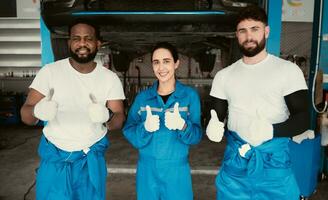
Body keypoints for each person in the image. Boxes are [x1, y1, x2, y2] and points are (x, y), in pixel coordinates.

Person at [206, 6, 311, 200]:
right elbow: (217, 117)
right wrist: (213, 127)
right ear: (236, 35)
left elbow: (303, 119)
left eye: (255, 29)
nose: (249, 36)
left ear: (266, 31)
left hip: (274, 166)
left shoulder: (287, 71)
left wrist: (271, 131)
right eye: (242, 31)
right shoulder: (224, 76)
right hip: (236, 165)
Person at [20, 19, 125, 200]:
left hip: (90, 162)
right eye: (76, 38)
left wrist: (107, 116)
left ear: (98, 43)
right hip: (55, 162)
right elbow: (26, 115)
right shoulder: (50, 72)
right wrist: (37, 112)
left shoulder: (109, 78)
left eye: (88, 38)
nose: (82, 43)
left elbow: (119, 119)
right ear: (69, 42)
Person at [123, 42, 202, 200]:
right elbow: (129, 130)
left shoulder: (189, 96)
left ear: (176, 63)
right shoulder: (143, 99)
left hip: (177, 171)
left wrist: (183, 125)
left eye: (166, 61)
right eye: (156, 62)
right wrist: (144, 128)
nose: (161, 67)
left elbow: (197, 136)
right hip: (147, 170)